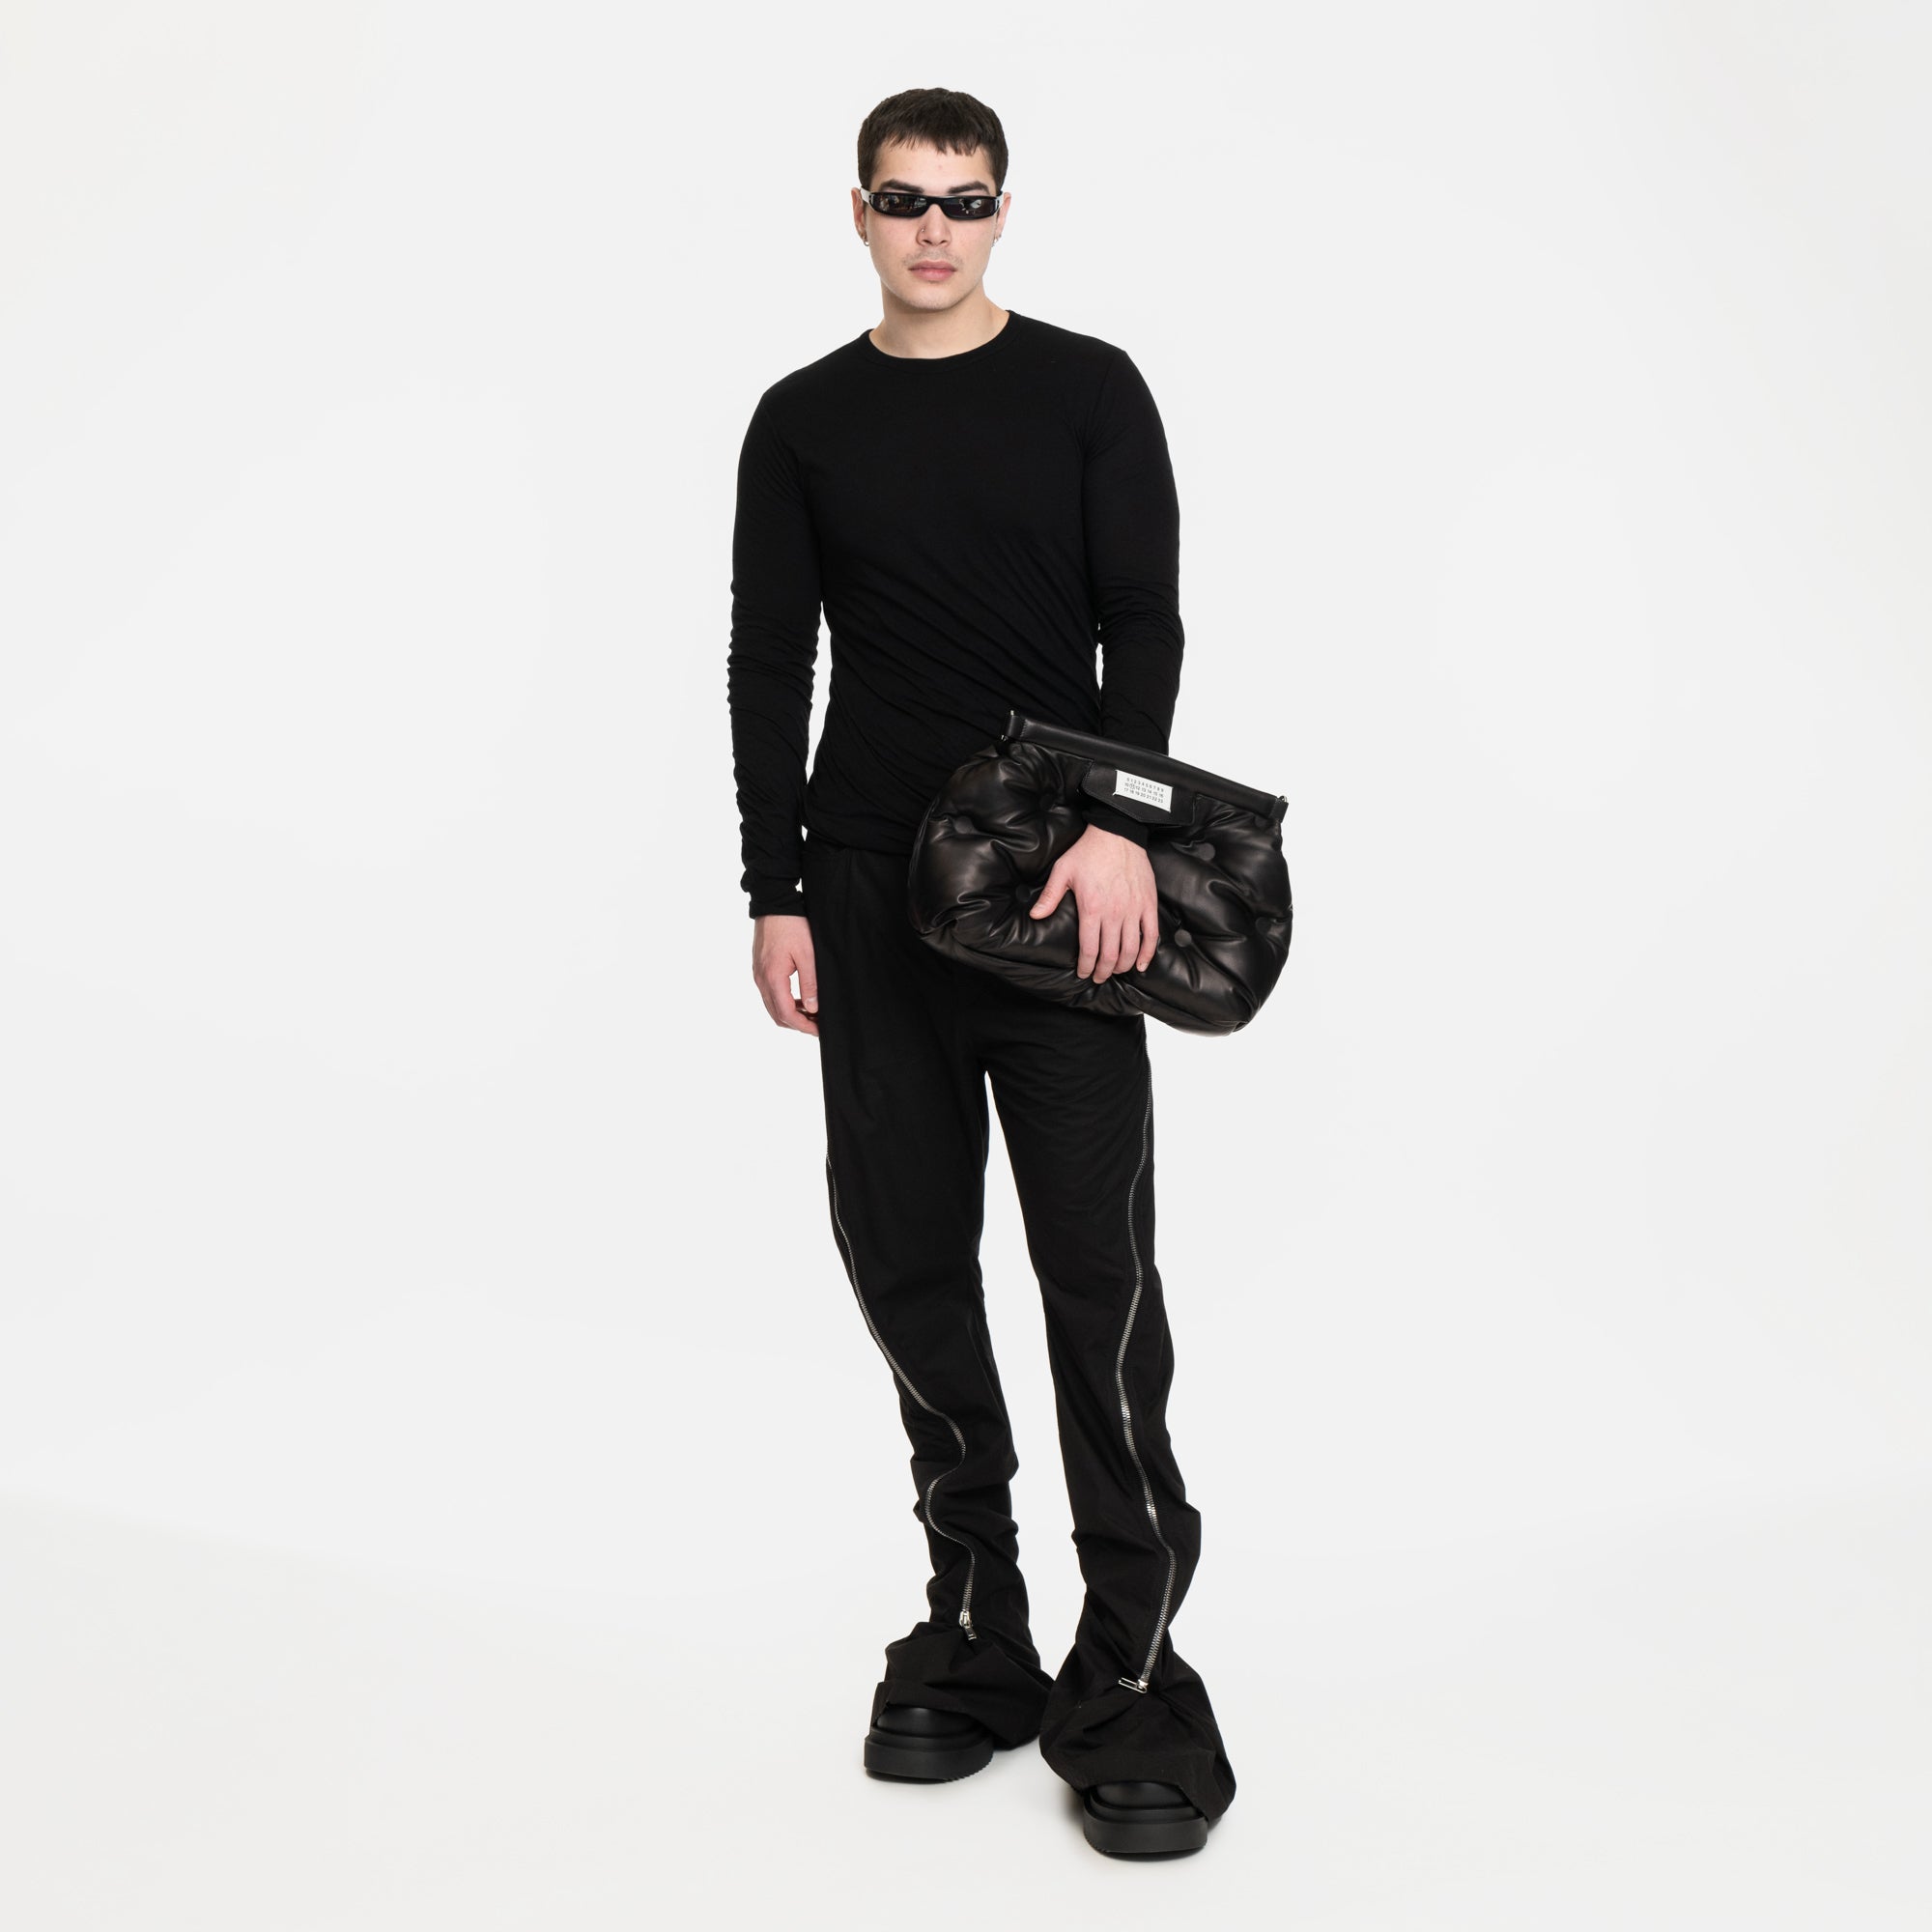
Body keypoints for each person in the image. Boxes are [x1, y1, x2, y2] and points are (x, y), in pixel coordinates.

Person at [725, 86, 1236, 1857]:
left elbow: (1142, 621)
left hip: (1060, 887)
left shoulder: (1091, 390)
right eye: (903, 199)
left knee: (1097, 1274)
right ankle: (975, 1620)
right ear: (858, 213)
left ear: (1005, 211)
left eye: (964, 200)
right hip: (869, 891)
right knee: (908, 1259)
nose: (933, 229)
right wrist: (776, 891)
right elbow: (767, 660)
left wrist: (1118, 826)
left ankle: (1133, 1667)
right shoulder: (801, 419)